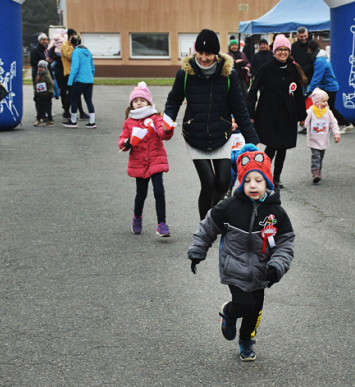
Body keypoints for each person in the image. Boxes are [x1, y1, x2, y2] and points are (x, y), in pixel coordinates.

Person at [188, 149, 295, 361]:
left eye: (258, 180)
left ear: (268, 183)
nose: (253, 185)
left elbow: (285, 242)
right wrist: (198, 250)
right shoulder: (229, 207)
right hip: (234, 267)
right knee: (244, 304)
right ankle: (229, 312)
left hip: (262, 271)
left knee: (255, 310)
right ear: (241, 183)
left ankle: (246, 340)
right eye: (247, 181)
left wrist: (277, 265)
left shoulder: (276, 213)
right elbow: (207, 228)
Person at [164, 29, 259, 220]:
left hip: (221, 134)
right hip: (195, 134)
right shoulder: (185, 74)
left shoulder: (228, 75)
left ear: (216, 54)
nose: (204, 58)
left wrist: (252, 139)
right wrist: (167, 121)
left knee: (223, 183)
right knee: (208, 182)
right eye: (200, 53)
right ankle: (205, 225)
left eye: (208, 54)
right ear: (195, 51)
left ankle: (213, 217)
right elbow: (173, 100)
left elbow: (239, 107)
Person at [247, 34, 307, 190]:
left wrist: (302, 115)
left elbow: (299, 93)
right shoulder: (266, 68)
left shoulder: (293, 68)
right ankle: (264, 175)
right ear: (274, 51)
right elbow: (253, 91)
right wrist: (251, 113)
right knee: (272, 146)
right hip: (269, 112)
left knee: (283, 146)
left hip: (288, 112)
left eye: (285, 50)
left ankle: (277, 177)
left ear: (289, 51)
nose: (282, 53)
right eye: (279, 49)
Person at [118, 82, 173, 237]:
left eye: (143, 100)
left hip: (155, 160)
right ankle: (137, 217)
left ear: (149, 102)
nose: (139, 103)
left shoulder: (155, 118)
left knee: (159, 191)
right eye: (136, 101)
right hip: (139, 162)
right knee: (141, 194)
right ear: (132, 105)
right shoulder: (129, 122)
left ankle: (162, 224)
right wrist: (126, 143)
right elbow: (122, 140)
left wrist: (168, 130)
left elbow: (163, 133)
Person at [306, 39, 352, 134]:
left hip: (328, 88)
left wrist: (309, 90)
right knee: (328, 108)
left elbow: (317, 77)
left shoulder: (319, 61)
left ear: (310, 49)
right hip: (329, 87)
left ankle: (346, 124)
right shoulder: (322, 57)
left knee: (327, 108)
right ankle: (341, 125)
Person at [301, 88, 341, 184]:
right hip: (314, 140)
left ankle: (318, 170)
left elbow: (333, 123)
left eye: (326, 101)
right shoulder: (310, 112)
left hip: (324, 140)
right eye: (323, 101)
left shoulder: (328, 112)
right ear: (316, 101)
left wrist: (336, 134)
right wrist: (302, 123)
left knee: (321, 156)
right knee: (316, 156)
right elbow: (305, 123)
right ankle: (315, 172)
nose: (326, 103)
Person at [63, 36, 96, 129]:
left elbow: (74, 67)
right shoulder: (88, 52)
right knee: (89, 100)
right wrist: (90, 76)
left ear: (72, 44)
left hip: (79, 80)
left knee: (73, 99)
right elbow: (92, 67)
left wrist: (70, 82)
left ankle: (73, 121)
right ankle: (92, 122)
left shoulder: (76, 52)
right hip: (89, 80)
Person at [60, 29, 88, 120]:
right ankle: (69, 111)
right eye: (71, 36)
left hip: (77, 73)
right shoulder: (65, 45)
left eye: (74, 36)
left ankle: (75, 112)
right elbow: (70, 56)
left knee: (75, 93)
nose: (73, 38)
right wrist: (74, 46)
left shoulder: (77, 47)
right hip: (68, 73)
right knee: (72, 93)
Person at [48, 30, 71, 118]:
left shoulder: (67, 46)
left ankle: (67, 107)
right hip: (59, 70)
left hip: (67, 69)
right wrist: (59, 57)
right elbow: (50, 52)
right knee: (63, 89)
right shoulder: (55, 48)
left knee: (67, 90)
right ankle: (65, 107)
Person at [33, 60, 54, 126]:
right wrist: (35, 94)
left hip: (46, 95)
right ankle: (38, 119)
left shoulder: (47, 76)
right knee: (39, 108)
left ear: (45, 68)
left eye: (42, 67)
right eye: (39, 67)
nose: (40, 69)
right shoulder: (38, 75)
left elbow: (50, 85)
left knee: (48, 108)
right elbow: (36, 85)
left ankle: (50, 120)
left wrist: (50, 93)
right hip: (39, 94)